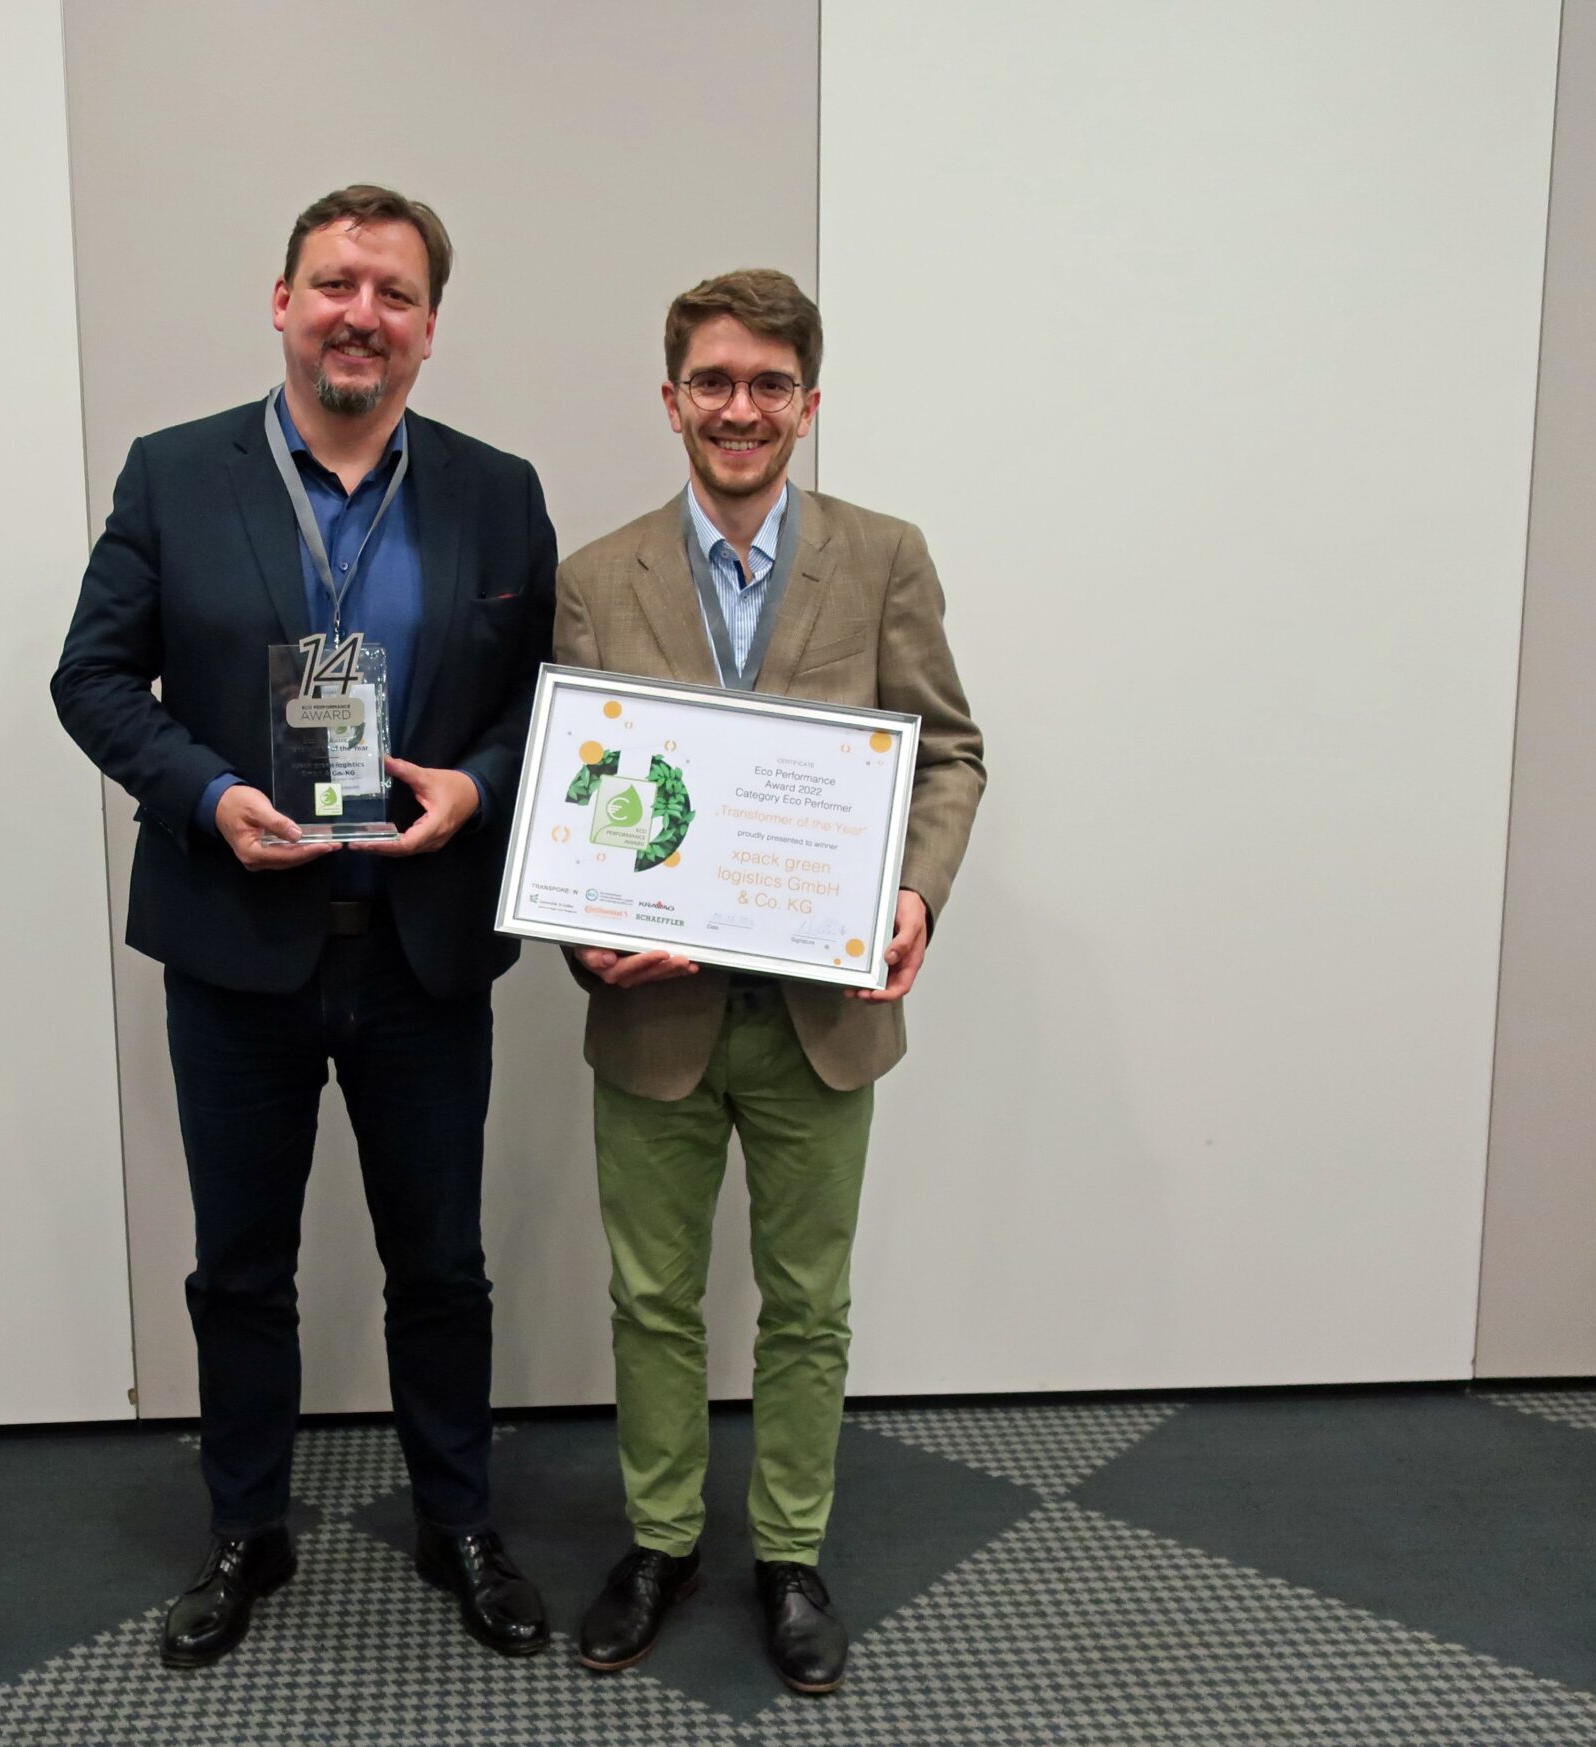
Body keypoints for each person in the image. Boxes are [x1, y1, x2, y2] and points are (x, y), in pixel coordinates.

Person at [52, 186, 555, 1668]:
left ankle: (459, 1521)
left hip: (421, 949)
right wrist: (207, 796)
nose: (361, 315)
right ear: (282, 303)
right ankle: (245, 1527)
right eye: (336, 283)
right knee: (239, 1269)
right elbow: (92, 679)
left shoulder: (498, 491)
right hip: (236, 943)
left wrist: (480, 786)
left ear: (430, 329)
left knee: (441, 1267)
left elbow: (545, 700)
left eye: (394, 294)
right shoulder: (173, 474)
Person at [554, 269, 985, 1694]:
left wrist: (914, 893)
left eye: (769, 385)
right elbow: (576, 797)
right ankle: (662, 1542)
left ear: (807, 403)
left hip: (822, 1018)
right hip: (656, 1013)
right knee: (652, 1300)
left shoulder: (883, 557)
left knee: (808, 1304)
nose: (740, 409)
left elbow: (948, 750)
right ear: (671, 398)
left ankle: (791, 1554)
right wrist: (582, 933)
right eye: (714, 382)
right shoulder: (596, 577)